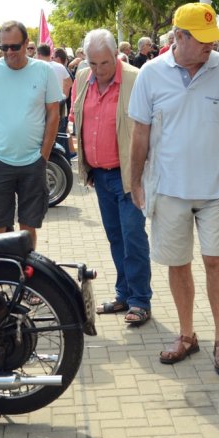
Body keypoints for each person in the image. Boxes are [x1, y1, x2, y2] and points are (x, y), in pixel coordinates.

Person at [128, 2, 219, 375]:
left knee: (215, 260)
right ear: (178, 37)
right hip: (168, 189)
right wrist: (134, 182)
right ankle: (186, 335)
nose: (210, 46)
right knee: (178, 264)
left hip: (216, 187)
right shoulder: (150, 73)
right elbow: (140, 133)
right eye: (202, 40)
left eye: (212, 39)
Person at [70, 29, 152, 325]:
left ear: (115, 56)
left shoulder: (135, 78)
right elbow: (79, 119)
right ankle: (124, 295)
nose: (98, 70)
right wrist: (87, 166)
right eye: (92, 63)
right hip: (100, 176)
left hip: (129, 175)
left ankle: (141, 300)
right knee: (116, 237)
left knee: (133, 237)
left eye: (103, 63)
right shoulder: (82, 78)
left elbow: (150, 126)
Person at [0, 20, 62, 249]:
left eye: (15, 46)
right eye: (4, 47)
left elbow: (54, 113)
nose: (9, 52)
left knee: (28, 226)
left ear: (27, 44)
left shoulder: (43, 71)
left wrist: (44, 154)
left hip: (34, 161)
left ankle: (28, 273)